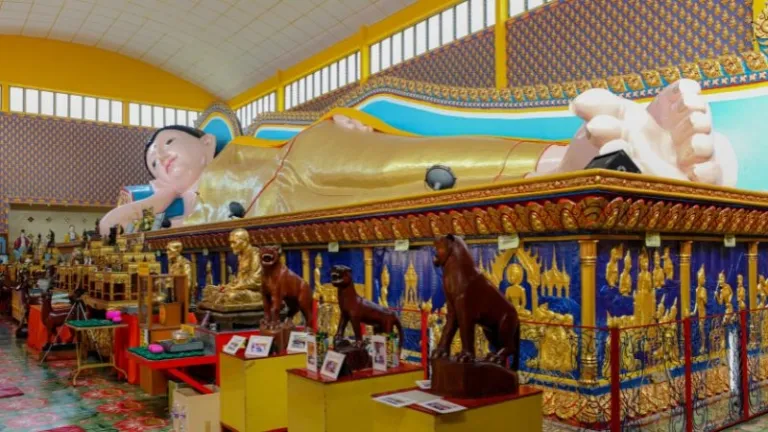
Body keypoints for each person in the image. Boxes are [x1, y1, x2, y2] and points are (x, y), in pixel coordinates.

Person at [183, 79, 737, 225]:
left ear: (206, 141)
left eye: (169, 145)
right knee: (389, 194)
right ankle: (575, 163)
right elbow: (172, 212)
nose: (162, 159)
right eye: (154, 158)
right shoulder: (187, 196)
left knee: (414, 168)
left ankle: (564, 162)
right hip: (275, 202)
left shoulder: (238, 148)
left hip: (310, 150)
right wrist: (151, 202)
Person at [99, 125, 221, 235]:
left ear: (207, 142)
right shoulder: (170, 214)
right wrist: (160, 198)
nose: (161, 158)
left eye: (169, 142)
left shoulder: (227, 180)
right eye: (154, 163)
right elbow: (113, 227)